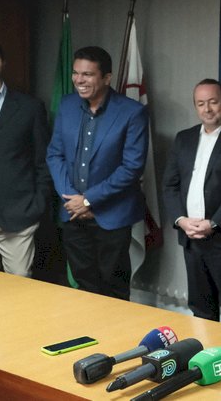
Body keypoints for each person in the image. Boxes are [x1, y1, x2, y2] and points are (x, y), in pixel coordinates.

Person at [47, 46, 148, 299]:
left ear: (106, 78)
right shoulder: (67, 105)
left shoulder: (132, 112)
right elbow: (55, 155)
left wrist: (88, 200)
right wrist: (72, 199)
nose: (79, 80)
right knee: (84, 291)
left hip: (112, 215)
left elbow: (132, 167)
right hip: (73, 215)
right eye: (76, 73)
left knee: (114, 290)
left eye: (88, 74)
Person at [163, 78, 221, 328]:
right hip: (191, 238)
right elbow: (170, 186)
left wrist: (213, 223)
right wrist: (181, 221)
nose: (207, 109)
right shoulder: (183, 138)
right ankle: (205, 353)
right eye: (201, 103)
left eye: (213, 102)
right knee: (201, 309)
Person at [0, 43, 52, 277]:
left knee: (19, 288)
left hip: (18, 217)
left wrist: (37, 204)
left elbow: (44, 161)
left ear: (3, 62)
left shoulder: (30, 108)